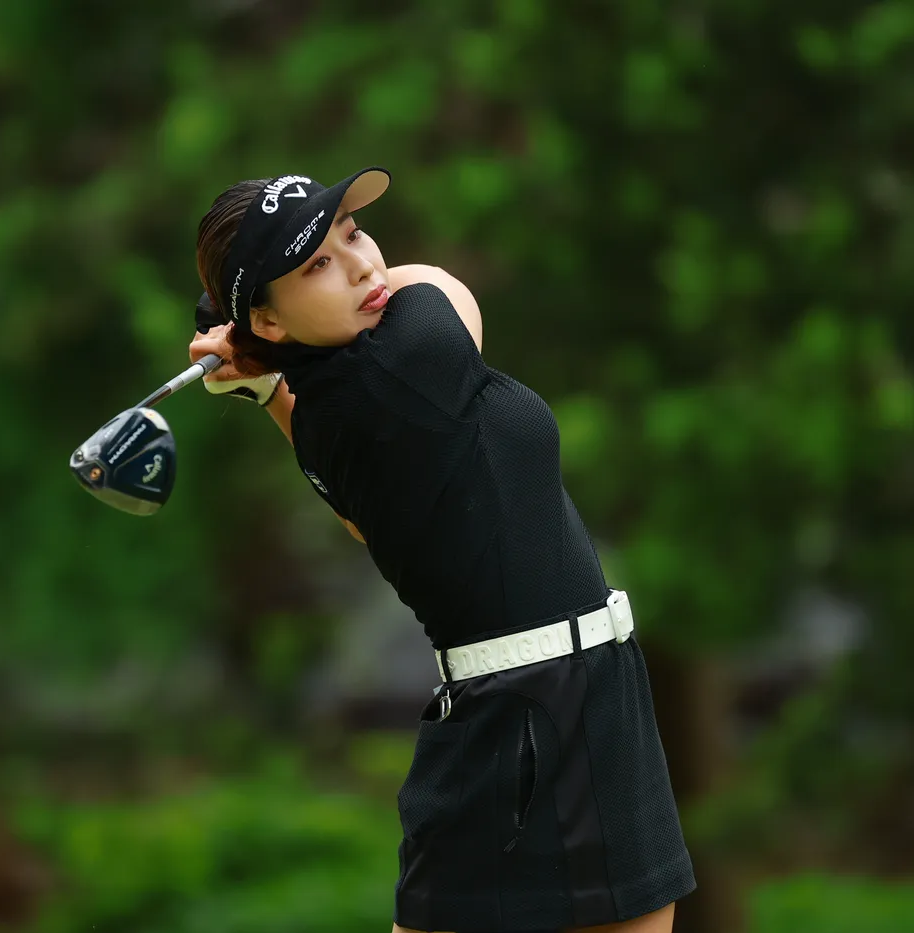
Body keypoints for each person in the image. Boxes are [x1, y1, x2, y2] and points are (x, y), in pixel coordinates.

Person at [187, 167, 696, 933]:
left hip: (591, 689)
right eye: (317, 263)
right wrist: (262, 359)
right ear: (268, 318)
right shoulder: (414, 350)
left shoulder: (323, 410)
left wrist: (265, 383)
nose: (363, 266)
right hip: (521, 712)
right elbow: (437, 282)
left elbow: (368, 521)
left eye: (353, 234)